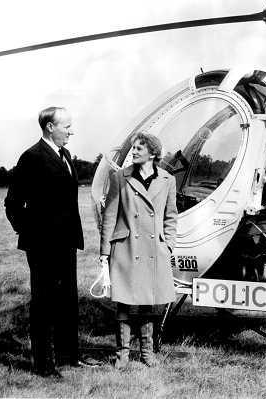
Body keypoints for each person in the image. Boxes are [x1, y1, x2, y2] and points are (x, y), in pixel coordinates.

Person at [4, 107, 86, 379]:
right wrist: (33, 237)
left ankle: (68, 356)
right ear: (50, 127)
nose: (71, 132)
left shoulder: (65, 155)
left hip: (66, 244)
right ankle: (43, 365)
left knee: (66, 301)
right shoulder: (32, 157)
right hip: (44, 246)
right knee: (44, 304)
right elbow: (13, 204)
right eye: (67, 127)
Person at [99, 132, 178, 369]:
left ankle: (147, 353)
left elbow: (171, 216)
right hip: (126, 246)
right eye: (133, 148)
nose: (133, 152)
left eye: (138, 149)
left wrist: (169, 244)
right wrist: (104, 253)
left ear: (153, 153)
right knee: (123, 301)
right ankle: (122, 354)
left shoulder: (167, 179)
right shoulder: (119, 177)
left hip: (155, 248)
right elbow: (109, 216)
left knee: (148, 302)